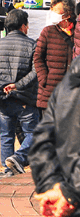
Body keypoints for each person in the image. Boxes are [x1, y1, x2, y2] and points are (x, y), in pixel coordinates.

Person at [0, 8, 38, 177]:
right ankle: (18, 158)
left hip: (3, 97)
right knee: (34, 134)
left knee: (6, 135)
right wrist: (17, 85)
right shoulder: (32, 45)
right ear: (23, 26)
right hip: (25, 97)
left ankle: (8, 169)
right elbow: (36, 72)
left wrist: (2, 86)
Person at [30, 57, 80, 217]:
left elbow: (42, 142)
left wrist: (53, 186)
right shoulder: (67, 85)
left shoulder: (67, 85)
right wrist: (60, 190)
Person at [35, 0, 75, 113]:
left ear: (67, 14)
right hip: (50, 92)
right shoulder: (48, 32)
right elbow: (37, 57)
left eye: (56, 10)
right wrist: (44, 79)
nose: (52, 13)